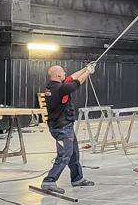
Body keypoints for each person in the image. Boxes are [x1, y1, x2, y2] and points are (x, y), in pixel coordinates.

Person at [39, 63, 96, 194]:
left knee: (74, 153)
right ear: (58, 75)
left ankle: (77, 178)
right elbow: (77, 82)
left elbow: (71, 78)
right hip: (62, 127)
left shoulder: (52, 86)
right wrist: (88, 73)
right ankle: (49, 180)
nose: (65, 74)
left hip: (63, 126)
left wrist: (84, 68)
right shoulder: (60, 89)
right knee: (65, 155)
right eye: (63, 72)